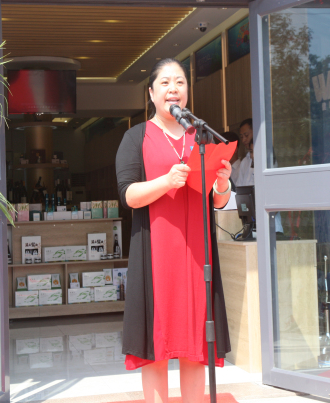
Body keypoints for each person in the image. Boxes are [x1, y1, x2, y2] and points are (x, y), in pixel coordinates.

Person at [116, 58, 232, 403]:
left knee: (196, 342)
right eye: (165, 83)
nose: (173, 89)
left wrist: (222, 183)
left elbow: (218, 202)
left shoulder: (202, 137)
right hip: (156, 255)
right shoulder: (136, 137)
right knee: (156, 344)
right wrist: (166, 182)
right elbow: (128, 195)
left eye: (180, 82)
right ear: (152, 93)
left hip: (197, 255)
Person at [231, 119, 254, 187]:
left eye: (246, 135)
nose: (243, 140)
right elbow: (239, 186)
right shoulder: (245, 161)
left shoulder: (266, 160)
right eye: (241, 137)